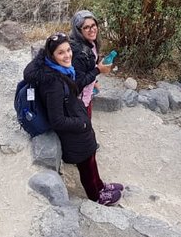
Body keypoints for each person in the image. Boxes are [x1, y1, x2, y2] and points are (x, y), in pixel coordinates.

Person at [23, 32, 123, 205]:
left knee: (90, 156)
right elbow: (57, 120)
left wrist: (95, 72)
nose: (67, 55)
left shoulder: (59, 71)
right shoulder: (53, 83)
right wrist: (82, 123)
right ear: (51, 56)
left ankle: (100, 185)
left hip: (76, 120)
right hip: (72, 131)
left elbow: (72, 88)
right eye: (61, 52)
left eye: (68, 50)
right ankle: (96, 195)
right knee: (86, 162)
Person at [69, 10, 112, 117]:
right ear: (78, 30)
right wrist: (98, 70)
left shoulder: (91, 43)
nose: (92, 29)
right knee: (85, 128)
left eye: (93, 25)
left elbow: (88, 68)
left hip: (86, 96)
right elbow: (78, 83)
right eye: (86, 27)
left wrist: (94, 80)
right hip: (79, 101)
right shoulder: (78, 53)